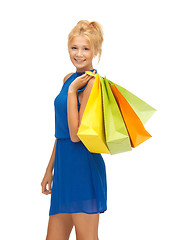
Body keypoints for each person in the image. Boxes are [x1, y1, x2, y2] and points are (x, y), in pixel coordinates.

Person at [41, 20, 107, 240]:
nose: (79, 54)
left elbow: (75, 135)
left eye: (86, 48)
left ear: (96, 51)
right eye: (74, 47)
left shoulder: (91, 83)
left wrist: (71, 92)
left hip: (83, 168)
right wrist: (50, 169)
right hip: (63, 168)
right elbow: (60, 133)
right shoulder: (69, 79)